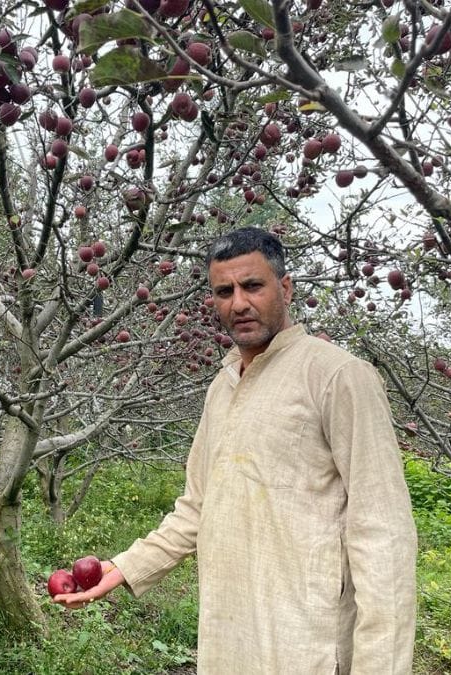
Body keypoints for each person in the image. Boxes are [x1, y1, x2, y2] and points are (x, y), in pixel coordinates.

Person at [53, 227, 418, 673]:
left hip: (305, 644)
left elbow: (383, 535)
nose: (238, 303)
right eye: (224, 291)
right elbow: (196, 508)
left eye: (253, 286)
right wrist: (123, 568)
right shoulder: (223, 387)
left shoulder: (338, 377)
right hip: (227, 637)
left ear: (285, 288)